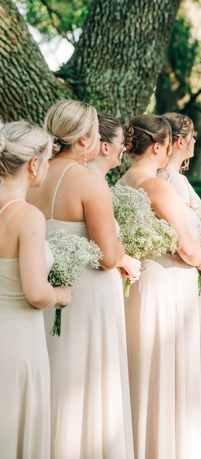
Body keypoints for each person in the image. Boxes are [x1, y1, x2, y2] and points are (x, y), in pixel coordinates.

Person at [27, 102, 140, 459]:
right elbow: (107, 255)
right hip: (89, 293)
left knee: (56, 365)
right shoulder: (90, 182)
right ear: (87, 139)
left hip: (49, 289)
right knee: (90, 373)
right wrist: (125, 252)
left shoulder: (32, 179)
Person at [118, 115, 201, 457]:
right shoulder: (158, 186)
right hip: (168, 281)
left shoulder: (122, 182)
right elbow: (187, 247)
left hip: (138, 284)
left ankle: (140, 441)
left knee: (142, 360)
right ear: (159, 146)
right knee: (166, 363)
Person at [0, 120, 75, 459]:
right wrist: (61, 295)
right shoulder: (26, 216)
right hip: (16, 343)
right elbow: (37, 293)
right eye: (46, 160)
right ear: (33, 165)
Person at [160, 112, 201, 458]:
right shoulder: (164, 181)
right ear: (180, 141)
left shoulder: (177, 181)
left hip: (189, 271)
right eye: (194, 138)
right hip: (175, 272)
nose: (197, 144)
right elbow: (174, 234)